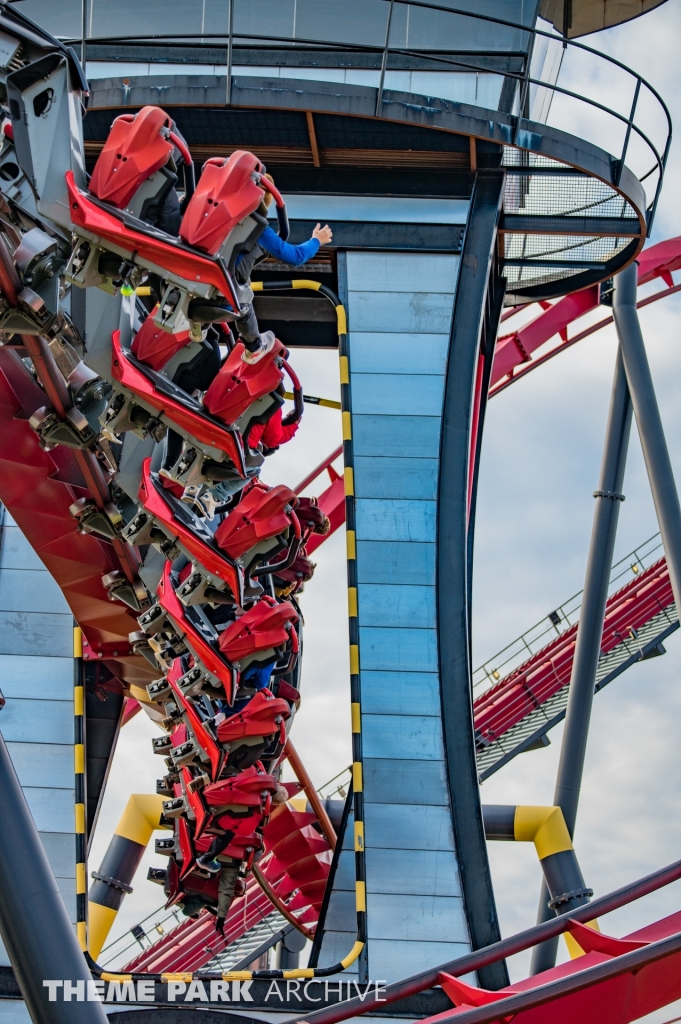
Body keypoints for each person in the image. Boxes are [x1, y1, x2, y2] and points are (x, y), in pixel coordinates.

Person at [234, 176, 332, 361]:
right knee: (243, 289)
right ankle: (254, 345)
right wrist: (316, 240)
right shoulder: (258, 229)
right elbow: (296, 257)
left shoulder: (213, 211)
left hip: (192, 270)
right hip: (226, 283)